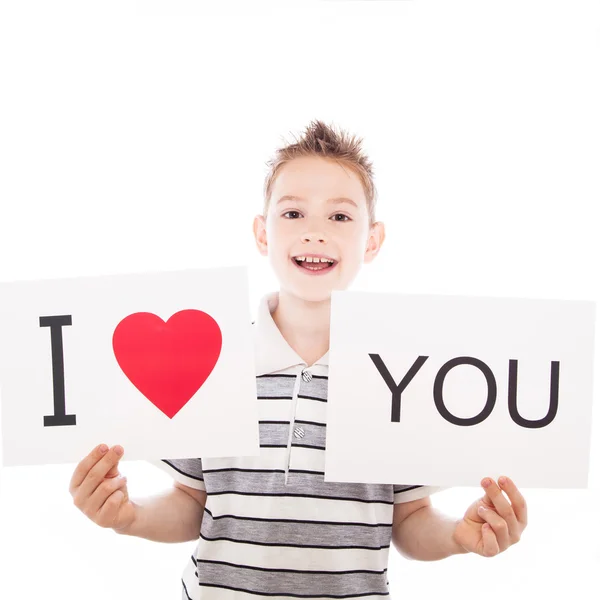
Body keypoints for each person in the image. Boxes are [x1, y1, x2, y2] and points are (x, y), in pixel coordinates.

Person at [69, 120, 528, 599]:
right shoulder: (215, 364)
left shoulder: (400, 377)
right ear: (261, 233)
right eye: (292, 213)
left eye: (340, 217)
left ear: (372, 241)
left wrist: (460, 534)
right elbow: (193, 501)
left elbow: (409, 519)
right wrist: (129, 516)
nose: (314, 232)